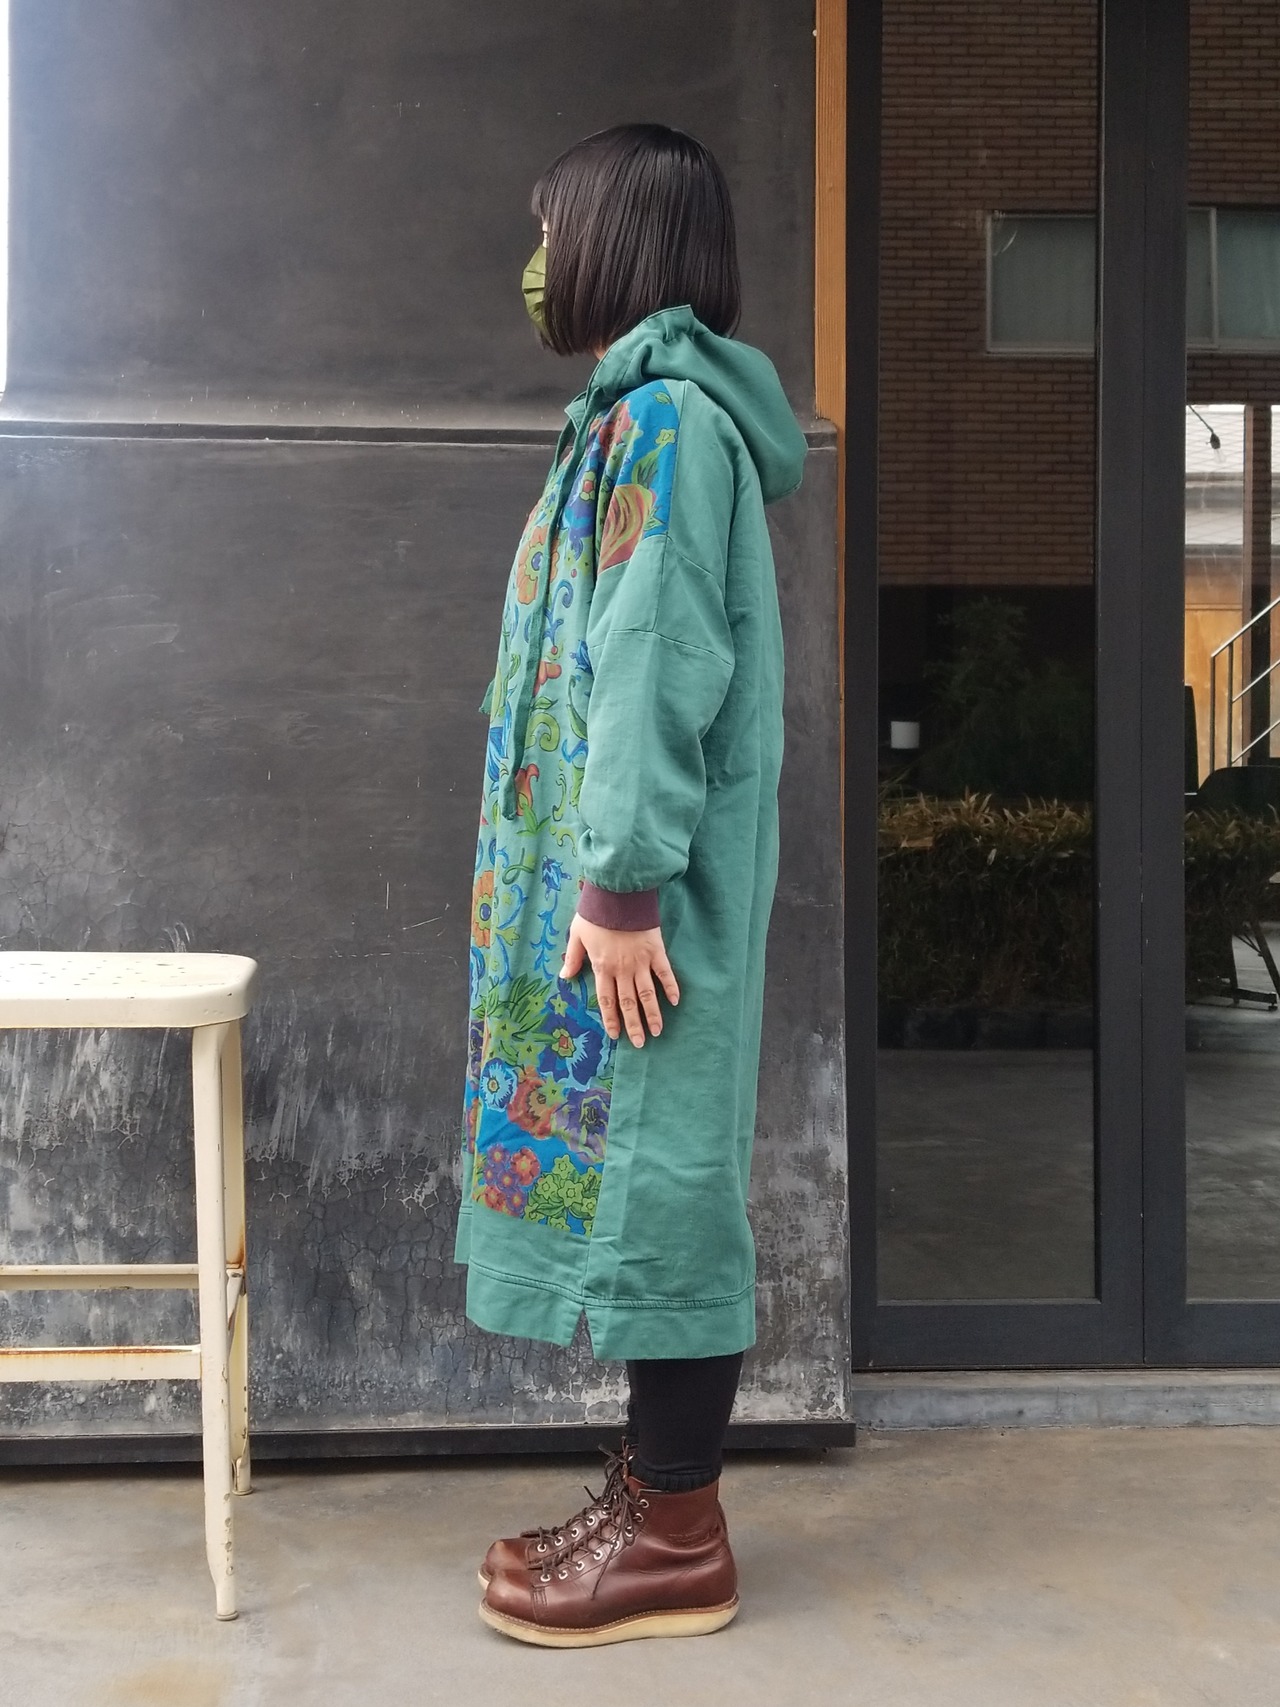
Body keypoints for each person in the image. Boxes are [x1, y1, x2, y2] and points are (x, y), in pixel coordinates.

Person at [455, 122, 807, 1648]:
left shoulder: (666, 422)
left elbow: (656, 655)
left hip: (639, 895)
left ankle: (678, 1532)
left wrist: (621, 886)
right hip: (616, 884)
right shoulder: (633, 415)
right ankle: (652, 1494)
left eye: (553, 229)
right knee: (630, 1173)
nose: (538, 261)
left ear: (615, 240)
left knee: (660, 1183)